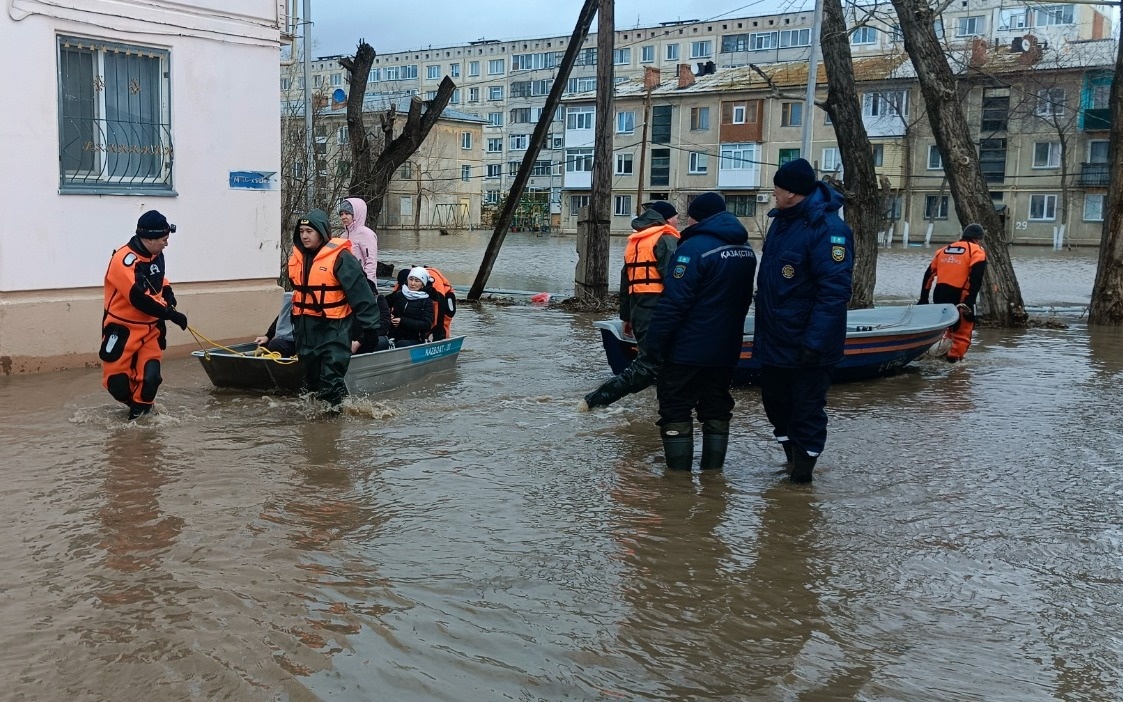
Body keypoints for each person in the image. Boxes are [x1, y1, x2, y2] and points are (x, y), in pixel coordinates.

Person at [754, 158, 854, 484]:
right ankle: (790, 460)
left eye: (777, 188)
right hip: (775, 337)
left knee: (806, 408)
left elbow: (834, 293)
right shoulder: (782, 222)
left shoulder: (829, 231)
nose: (773, 193)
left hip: (808, 343)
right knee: (775, 403)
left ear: (793, 194)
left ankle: (801, 479)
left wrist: (815, 342)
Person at [642, 192, 757, 471]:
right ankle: (713, 477)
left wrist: (653, 345)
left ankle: (678, 483)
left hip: (687, 348)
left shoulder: (694, 249)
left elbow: (674, 303)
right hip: (726, 348)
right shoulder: (746, 250)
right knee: (717, 406)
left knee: (675, 407)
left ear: (698, 217)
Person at [582, 201, 681, 410]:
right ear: (665, 218)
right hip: (660, 311)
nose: (678, 221)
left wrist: (626, 317)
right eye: (675, 217)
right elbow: (674, 282)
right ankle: (596, 400)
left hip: (640, 312)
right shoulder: (666, 238)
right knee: (651, 367)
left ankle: (665, 409)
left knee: (654, 365)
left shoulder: (636, 241)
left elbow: (626, 282)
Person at [287, 209, 381, 407]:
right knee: (311, 384)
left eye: (309, 231)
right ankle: (318, 426)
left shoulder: (341, 258)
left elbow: (361, 295)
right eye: (301, 231)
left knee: (330, 381)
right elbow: (297, 297)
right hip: (306, 330)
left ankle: (332, 429)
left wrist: (370, 329)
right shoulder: (297, 259)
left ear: (321, 232)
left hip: (334, 329)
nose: (304, 236)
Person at [100, 210, 188, 420]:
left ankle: (141, 418)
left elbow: (159, 278)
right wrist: (170, 314)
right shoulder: (124, 261)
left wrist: (168, 292)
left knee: (151, 378)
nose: (166, 243)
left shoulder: (156, 254)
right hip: (123, 328)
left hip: (151, 328)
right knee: (116, 383)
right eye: (164, 239)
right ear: (148, 238)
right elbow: (138, 298)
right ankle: (133, 408)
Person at [918, 223, 988, 363]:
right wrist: (970, 300)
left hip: (940, 296)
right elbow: (976, 279)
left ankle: (941, 355)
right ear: (978, 239)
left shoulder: (943, 250)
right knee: (963, 331)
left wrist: (924, 299)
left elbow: (929, 276)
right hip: (961, 296)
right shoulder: (977, 251)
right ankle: (954, 365)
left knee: (949, 328)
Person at [386, 267, 436, 347]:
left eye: (417, 281)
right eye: (411, 279)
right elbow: (381, 303)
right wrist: (388, 315)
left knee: (402, 344)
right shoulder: (399, 294)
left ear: (423, 284)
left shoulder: (426, 301)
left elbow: (426, 325)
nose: (412, 283)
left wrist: (402, 321)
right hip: (393, 336)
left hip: (415, 339)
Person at [338, 198, 379, 292]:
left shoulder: (366, 234)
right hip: (347, 284)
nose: (343, 217)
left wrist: (368, 284)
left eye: (347, 213)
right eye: (341, 214)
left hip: (362, 285)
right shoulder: (343, 236)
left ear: (356, 214)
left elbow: (371, 262)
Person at [253, 291, 296, 357]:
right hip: (294, 342)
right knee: (269, 345)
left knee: (275, 345)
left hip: (307, 346)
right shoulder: (292, 297)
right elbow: (282, 317)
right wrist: (267, 336)